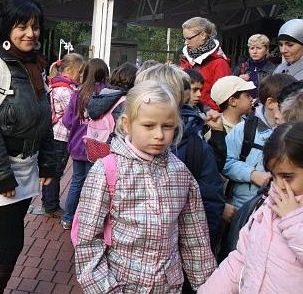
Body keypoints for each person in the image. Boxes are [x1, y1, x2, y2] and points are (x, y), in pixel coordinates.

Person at [75, 81, 217, 292]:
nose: (159, 135)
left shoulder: (180, 173)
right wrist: (106, 289)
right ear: (127, 124)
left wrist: (208, 287)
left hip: (168, 287)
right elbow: (88, 241)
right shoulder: (106, 171)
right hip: (121, 285)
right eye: (149, 126)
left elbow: (195, 238)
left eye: (167, 126)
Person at [0, 0, 56, 293]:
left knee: (4, 237)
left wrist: (48, 162)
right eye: (22, 26)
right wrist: (2, 175)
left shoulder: (36, 67)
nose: (31, 34)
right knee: (11, 241)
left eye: (35, 27)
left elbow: (44, 118)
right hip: (0, 167)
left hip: (27, 165)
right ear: (7, 28)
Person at [199, 121, 303, 293]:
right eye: (274, 176)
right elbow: (241, 259)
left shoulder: (288, 214)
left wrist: (292, 220)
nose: (279, 185)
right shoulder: (267, 206)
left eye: (287, 177)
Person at [136, 64, 225, 254]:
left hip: (175, 252)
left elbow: (209, 205)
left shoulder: (194, 145)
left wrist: (198, 252)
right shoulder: (124, 142)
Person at [223, 73, 296, 208]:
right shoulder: (245, 129)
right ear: (271, 103)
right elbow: (225, 161)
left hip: (283, 206)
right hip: (244, 205)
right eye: (289, 103)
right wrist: (252, 174)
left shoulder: (295, 131)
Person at [60, 58, 111, 230]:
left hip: (77, 144)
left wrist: (79, 125)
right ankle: (85, 220)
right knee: (92, 185)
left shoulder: (78, 93)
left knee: (76, 181)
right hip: (97, 146)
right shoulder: (107, 95)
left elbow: (67, 121)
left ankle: (68, 218)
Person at [43, 53, 85, 217]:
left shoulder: (58, 85)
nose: (80, 75)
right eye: (79, 72)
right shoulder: (65, 90)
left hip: (57, 134)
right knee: (56, 172)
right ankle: (51, 206)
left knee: (53, 170)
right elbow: (74, 112)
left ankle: (48, 203)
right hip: (60, 136)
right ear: (68, 70)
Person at [179, 17, 231, 111]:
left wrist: (205, 110)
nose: (186, 43)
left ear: (203, 35)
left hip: (208, 116)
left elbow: (223, 98)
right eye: (185, 39)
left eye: (189, 38)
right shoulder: (185, 59)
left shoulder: (220, 63)